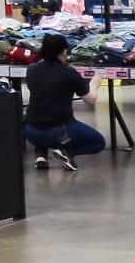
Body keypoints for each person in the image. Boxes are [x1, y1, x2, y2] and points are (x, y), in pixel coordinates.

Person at [23, 33, 106, 172]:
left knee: (40, 112)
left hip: (30, 131)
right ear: (65, 51)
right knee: (98, 142)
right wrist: (94, 84)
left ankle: (41, 154)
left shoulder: (32, 69)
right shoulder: (68, 73)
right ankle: (67, 152)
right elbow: (91, 100)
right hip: (58, 131)